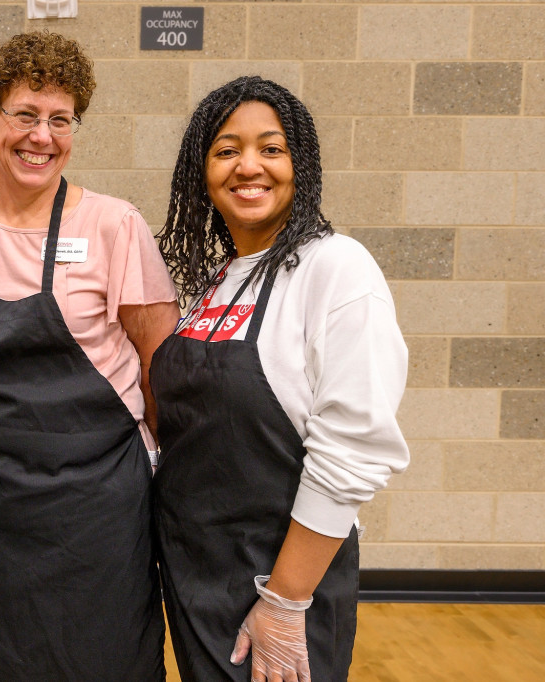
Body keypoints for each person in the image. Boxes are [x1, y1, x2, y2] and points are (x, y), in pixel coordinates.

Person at [0, 31, 178, 681]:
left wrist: (153, 459)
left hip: (91, 505)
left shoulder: (112, 225)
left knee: (102, 655)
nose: (42, 136)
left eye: (60, 120)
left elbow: (162, 361)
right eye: (25, 115)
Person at [151, 76, 409, 681]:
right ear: (202, 171)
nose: (248, 166)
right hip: (197, 573)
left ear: (302, 165)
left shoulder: (337, 268)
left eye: (271, 149)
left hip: (279, 580)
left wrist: (285, 601)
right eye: (226, 150)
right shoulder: (223, 280)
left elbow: (353, 448)